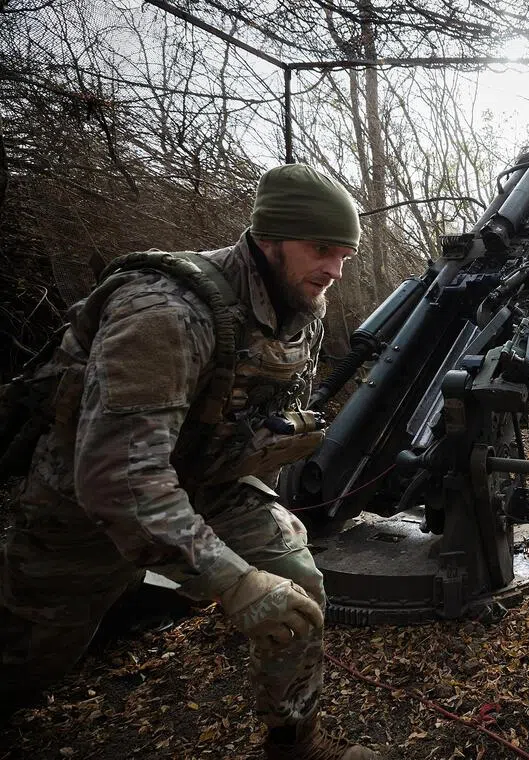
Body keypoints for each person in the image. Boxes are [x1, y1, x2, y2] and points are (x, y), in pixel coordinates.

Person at [0, 164, 381, 759]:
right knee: (31, 654)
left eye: (345, 255)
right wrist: (235, 582)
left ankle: (295, 744)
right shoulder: (164, 311)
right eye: (321, 249)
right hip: (83, 503)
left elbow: (259, 417)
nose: (335, 269)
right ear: (269, 238)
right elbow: (119, 478)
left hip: (206, 479)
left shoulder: (301, 305)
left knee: (298, 583)